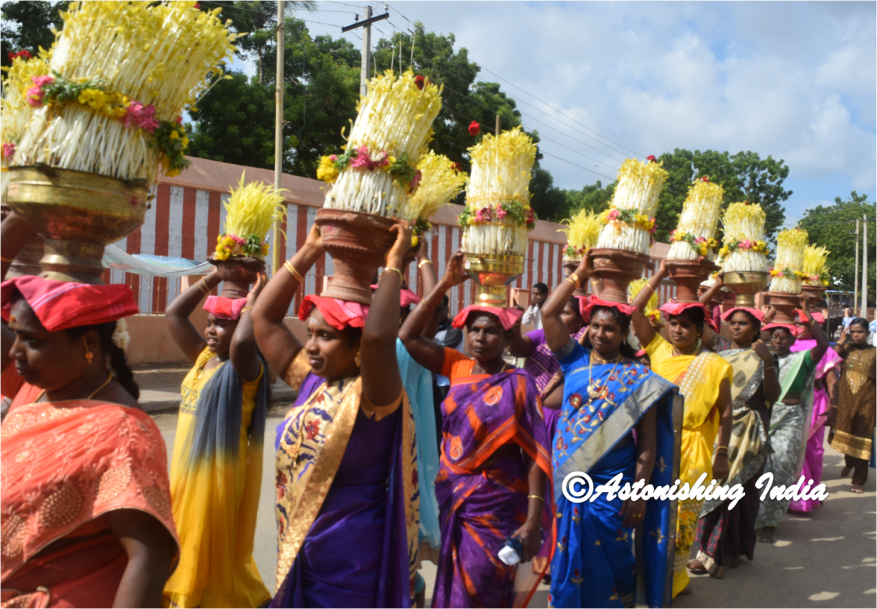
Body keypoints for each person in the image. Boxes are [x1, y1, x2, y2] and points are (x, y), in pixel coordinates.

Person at [0, 213, 178, 608]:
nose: (15, 352)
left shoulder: (122, 431)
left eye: (31, 340)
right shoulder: (36, 389)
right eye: (14, 335)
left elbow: (150, 555)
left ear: (88, 344)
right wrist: (21, 219)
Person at [253, 221, 419, 608]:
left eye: (325, 336)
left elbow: (379, 338)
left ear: (358, 346)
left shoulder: (376, 394)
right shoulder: (314, 382)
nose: (310, 346)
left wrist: (392, 263)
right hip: (302, 541)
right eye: (310, 333)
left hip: (351, 555)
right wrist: (310, 250)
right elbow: (263, 318)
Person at [399, 250, 552, 608]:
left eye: (491, 331)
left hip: (498, 506)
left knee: (486, 585)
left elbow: (535, 457)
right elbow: (407, 336)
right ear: (464, 332)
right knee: (455, 587)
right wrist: (444, 284)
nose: (481, 337)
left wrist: (532, 521)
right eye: (475, 330)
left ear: (506, 335)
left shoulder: (520, 383)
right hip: (456, 495)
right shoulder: (455, 365)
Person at [542, 252, 677, 609]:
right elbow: (548, 314)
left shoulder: (638, 377)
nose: (601, 334)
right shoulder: (574, 361)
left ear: (623, 332)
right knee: (568, 552)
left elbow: (647, 440)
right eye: (596, 326)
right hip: (570, 478)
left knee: (616, 556)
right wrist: (580, 275)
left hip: (614, 484)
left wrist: (639, 492)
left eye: (610, 328)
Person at [161, 269, 271, 608]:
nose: (210, 329)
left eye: (222, 323)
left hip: (217, 476)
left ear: (243, 329)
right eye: (210, 321)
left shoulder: (246, 370)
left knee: (202, 543)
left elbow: (240, 343)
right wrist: (214, 276)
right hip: (184, 471)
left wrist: (253, 304)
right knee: (184, 540)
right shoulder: (205, 358)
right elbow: (174, 314)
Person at [631, 262, 733, 598]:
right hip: (657, 445)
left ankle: (673, 581)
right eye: (673, 324)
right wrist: (660, 274)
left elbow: (726, 410)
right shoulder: (658, 350)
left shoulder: (716, 364)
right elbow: (634, 312)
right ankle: (657, 578)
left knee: (683, 521)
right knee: (655, 518)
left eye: (686, 326)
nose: (678, 330)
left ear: (700, 330)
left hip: (697, 448)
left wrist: (722, 453)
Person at [689, 306, 780, 578]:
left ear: (756, 327)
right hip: (720, 429)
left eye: (743, 323)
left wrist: (766, 361)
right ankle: (708, 551)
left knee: (738, 493)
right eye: (732, 322)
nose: (736, 327)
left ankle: (727, 551)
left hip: (750, 431)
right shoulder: (718, 349)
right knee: (715, 488)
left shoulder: (764, 354)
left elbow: (773, 396)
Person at [755, 298, 828, 542]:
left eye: (784, 337)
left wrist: (807, 314)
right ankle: (755, 517)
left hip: (789, 420)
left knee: (782, 469)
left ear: (793, 340)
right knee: (759, 468)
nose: (777, 340)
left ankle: (771, 522)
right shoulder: (760, 358)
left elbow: (824, 344)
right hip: (763, 419)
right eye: (774, 336)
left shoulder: (802, 360)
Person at [788, 308, 841, 512]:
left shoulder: (823, 349)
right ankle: (791, 500)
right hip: (789, 403)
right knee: (791, 449)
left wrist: (834, 406)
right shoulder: (787, 344)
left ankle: (808, 497)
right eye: (795, 323)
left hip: (814, 403)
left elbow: (831, 380)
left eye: (802, 323)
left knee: (813, 452)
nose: (798, 327)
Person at [829, 318, 877, 493]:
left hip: (868, 402)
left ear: (868, 333)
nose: (856, 335)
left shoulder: (875, 352)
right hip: (846, 400)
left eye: (860, 332)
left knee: (863, 438)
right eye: (853, 332)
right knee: (846, 433)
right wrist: (841, 342)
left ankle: (859, 479)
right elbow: (831, 361)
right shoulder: (846, 349)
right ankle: (849, 463)